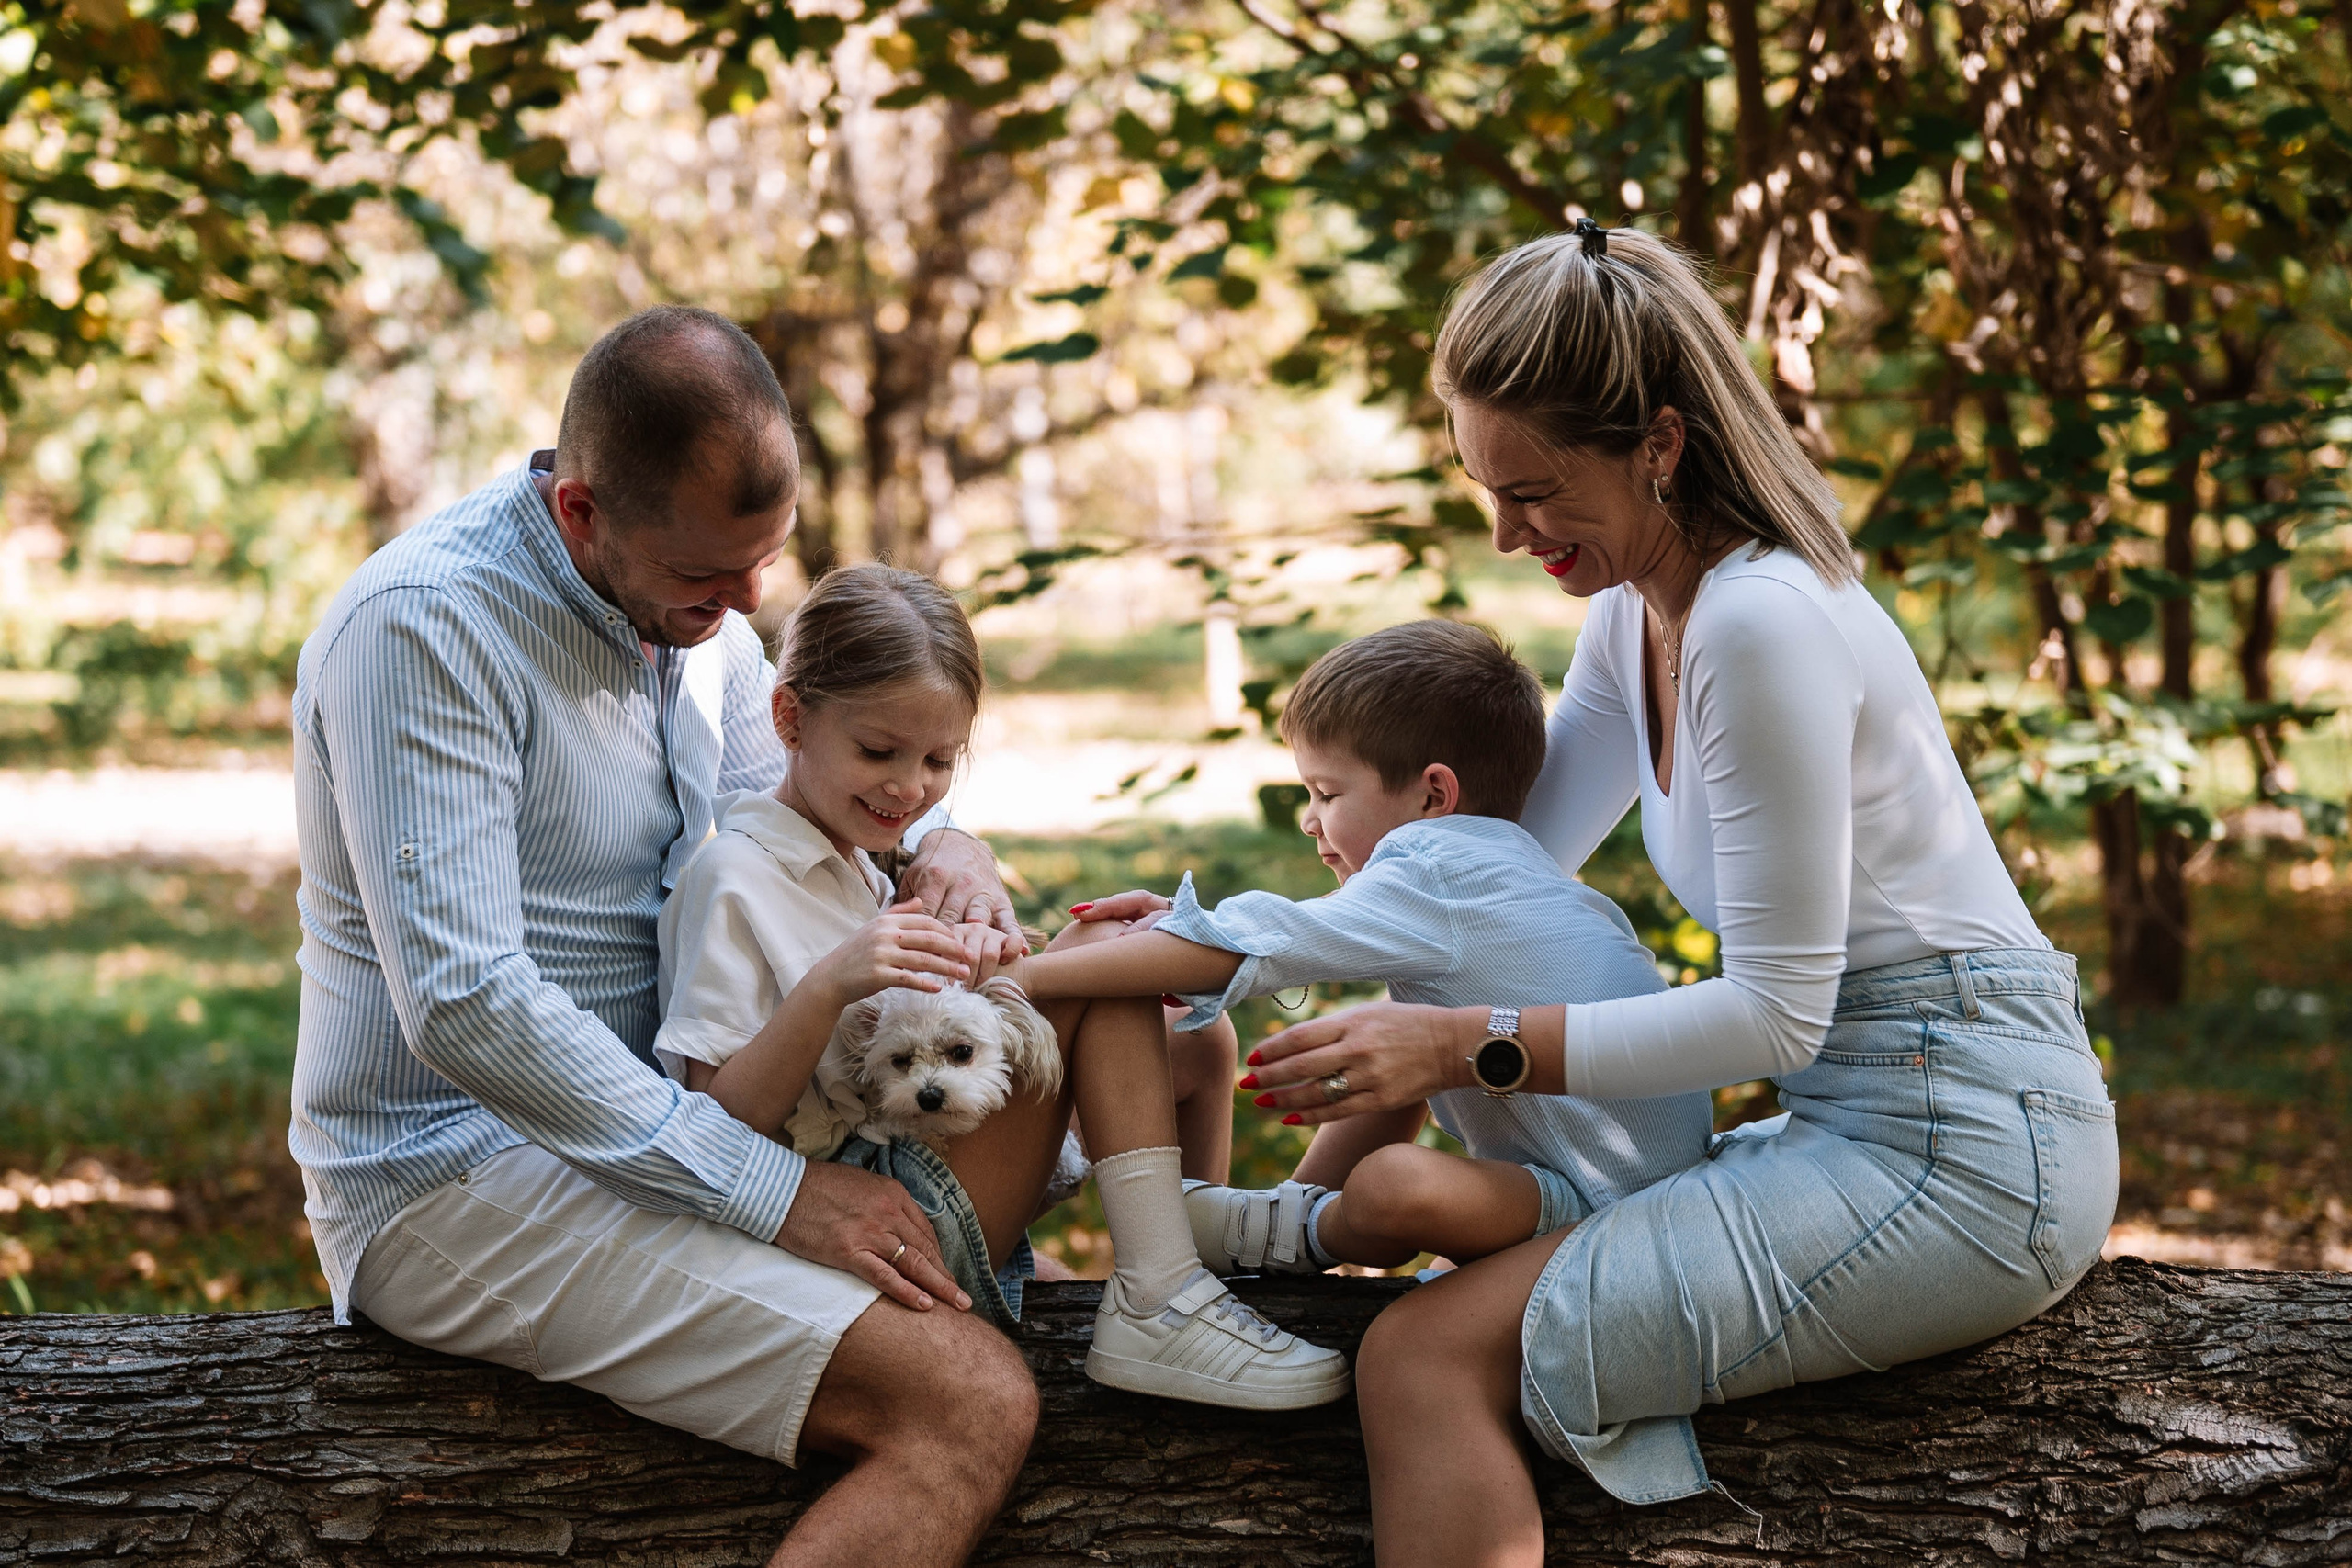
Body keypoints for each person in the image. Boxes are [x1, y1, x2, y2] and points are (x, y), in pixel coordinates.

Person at [1232, 225, 2120, 1564]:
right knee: (1439, 1308)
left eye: (1532, 491)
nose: (1505, 530)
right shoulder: (1630, 614)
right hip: (1854, 1112)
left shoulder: (1759, 624)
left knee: (1421, 1352)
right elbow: (1480, 872)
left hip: (1965, 1142)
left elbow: (1774, 1017)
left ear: (1659, 441)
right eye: (1487, 485)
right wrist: (1226, 933)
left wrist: (1454, 1040)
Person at [290, 307, 1043, 1567]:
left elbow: (803, 792)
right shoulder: (426, 629)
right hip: (453, 1168)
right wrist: (774, 1191)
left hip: (685, 1124)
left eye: (767, 559)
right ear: (582, 512)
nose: (749, 602)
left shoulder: (702, 628)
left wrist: (948, 840)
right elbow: (468, 1002)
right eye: (710, 574)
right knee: (967, 1397)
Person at [655, 562, 1350, 1406]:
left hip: (930, 1157)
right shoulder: (734, 877)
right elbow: (712, 1127)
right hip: (860, 1221)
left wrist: (1020, 956)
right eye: (878, 751)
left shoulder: (871, 870)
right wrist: (828, 988)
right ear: (788, 717)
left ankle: (1193, 1270)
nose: (910, 788)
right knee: (1111, 963)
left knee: (1198, 1033)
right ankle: (1165, 1303)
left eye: (940, 760)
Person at [1018, 618, 1711, 1276]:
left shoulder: (1432, 865)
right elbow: (1282, 937)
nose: (1309, 819)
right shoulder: (1525, 882)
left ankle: (1286, 1233)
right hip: (1646, 1189)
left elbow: (1258, 944)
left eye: (1326, 793)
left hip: (1603, 1205)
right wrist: (1188, 929)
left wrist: (1024, 978)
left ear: (1433, 795)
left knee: (1393, 1182)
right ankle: (1275, 1237)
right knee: (1397, 1040)